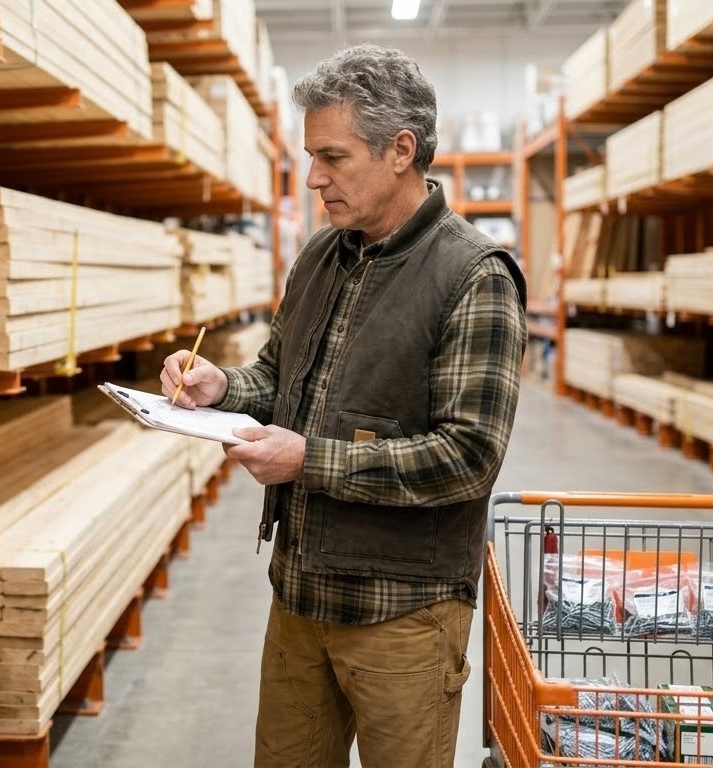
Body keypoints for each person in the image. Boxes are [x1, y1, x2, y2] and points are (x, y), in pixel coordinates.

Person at [161, 43, 527, 768]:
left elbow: (467, 458)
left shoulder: (474, 276)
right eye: (310, 156)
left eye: (332, 157)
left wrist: (308, 460)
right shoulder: (322, 257)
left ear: (400, 150)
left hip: (403, 614)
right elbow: (278, 376)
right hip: (298, 596)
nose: (313, 178)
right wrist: (221, 387)